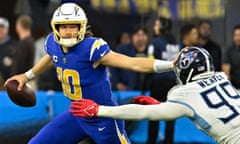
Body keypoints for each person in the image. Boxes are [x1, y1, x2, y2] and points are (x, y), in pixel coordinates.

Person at [5, 2, 175, 144]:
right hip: (78, 114)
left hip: (104, 115)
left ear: (82, 27)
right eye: (63, 27)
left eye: (73, 26)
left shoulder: (92, 49)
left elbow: (132, 63)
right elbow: (52, 57)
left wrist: (170, 65)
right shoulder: (53, 43)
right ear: (56, 28)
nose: (68, 31)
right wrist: (27, 76)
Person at [70, 47, 240, 144]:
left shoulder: (184, 93)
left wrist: (99, 110)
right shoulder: (221, 78)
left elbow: (143, 113)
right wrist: (160, 106)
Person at [147, 16, 179, 144]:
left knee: (154, 113)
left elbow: (149, 62)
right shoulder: (176, 43)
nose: (154, 28)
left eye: (156, 25)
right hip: (173, 82)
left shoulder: (155, 42)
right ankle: (169, 141)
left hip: (158, 82)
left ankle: (151, 141)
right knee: (170, 115)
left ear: (162, 27)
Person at [110, 25, 151, 91]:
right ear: (133, 37)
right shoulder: (122, 49)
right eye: (137, 35)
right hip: (126, 91)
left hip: (147, 91)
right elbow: (113, 67)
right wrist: (117, 83)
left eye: (143, 35)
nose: (140, 38)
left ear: (147, 37)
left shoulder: (152, 51)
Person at [0, 17, 17, 89]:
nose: (0, 30)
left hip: (10, 85)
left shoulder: (15, 45)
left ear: (7, 29)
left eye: (2, 27)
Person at [222, 24, 240, 90]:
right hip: (235, 88)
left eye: (239, 35)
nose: (238, 38)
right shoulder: (228, 50)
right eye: (236, 35)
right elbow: (226, 74)